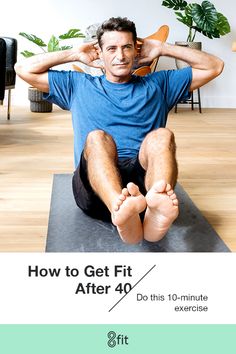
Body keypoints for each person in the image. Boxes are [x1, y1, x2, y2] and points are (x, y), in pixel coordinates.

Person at [15, 17, 224, 244]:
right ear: (100, 53)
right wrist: (74, 54)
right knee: (97, 137)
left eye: (126, 47)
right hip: (96, 191)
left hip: (146, 191)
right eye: (112, 49)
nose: (120, 56)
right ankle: (120, 209)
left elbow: (215, 66)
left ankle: (156, 211)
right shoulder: (78, 85)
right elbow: (23, 68)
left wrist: (162, 48)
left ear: (137, 50)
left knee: (162, 136)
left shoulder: (160, 84)